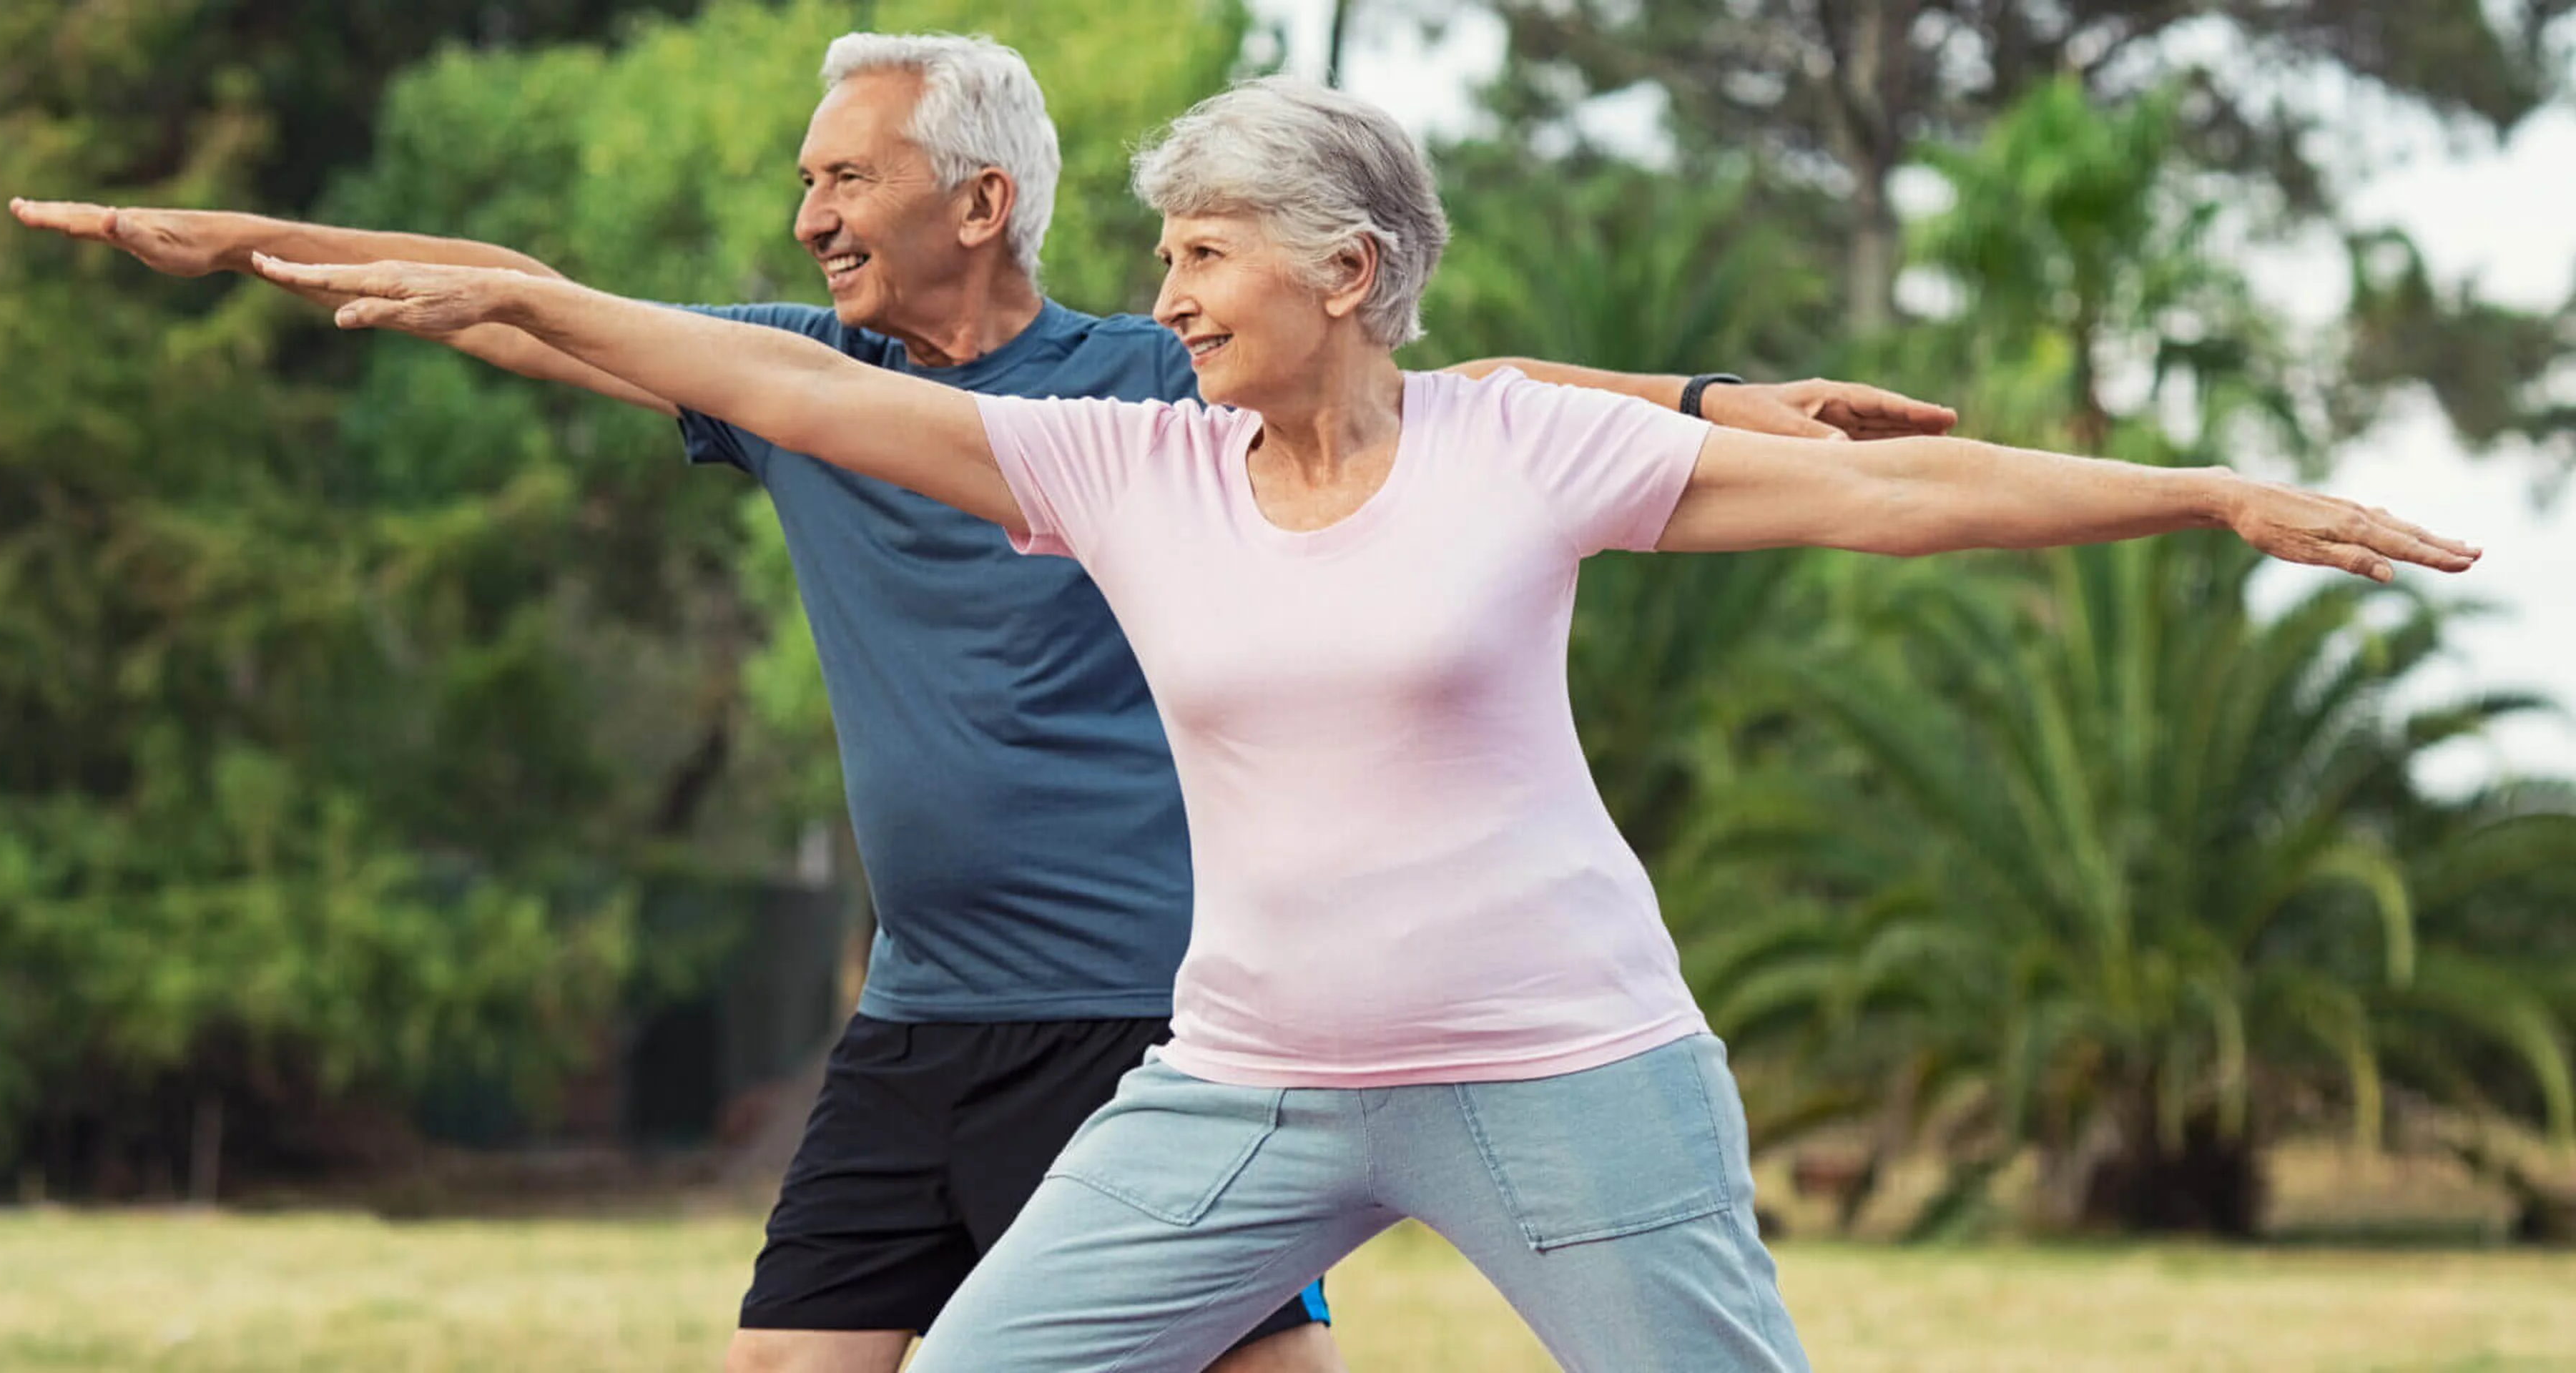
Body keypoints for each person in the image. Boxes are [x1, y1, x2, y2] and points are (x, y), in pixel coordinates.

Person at [245, 71, 2479, 1370]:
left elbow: (1892, 497)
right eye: (1169, 258)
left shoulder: (1522, 443)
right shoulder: (1123, 469)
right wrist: (532, 297)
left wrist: (2203, 493)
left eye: (1209, 256)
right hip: (1249, 1088)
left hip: (1571, 1077)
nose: (1173, 299)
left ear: (1345, 272)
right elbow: (784, 385)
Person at [13, 33, 1964, 1373]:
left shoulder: (1158, 383)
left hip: (1141, 1013)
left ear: (983, 197)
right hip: (921, 1009)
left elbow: (1462, 399)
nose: (810, 220)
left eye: (846, 178)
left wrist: (1702, 404)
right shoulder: (798, 383)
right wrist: (249, 251)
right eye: (804, 185)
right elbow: (534, 291)